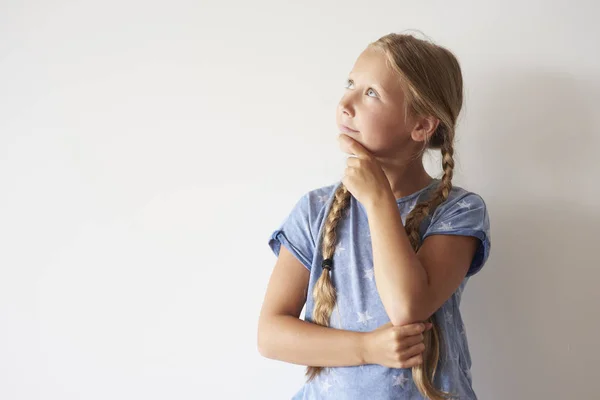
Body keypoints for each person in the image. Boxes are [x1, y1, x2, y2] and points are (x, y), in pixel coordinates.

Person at [257, 32, 491, 400]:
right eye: (351, 83)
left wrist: (378, 197)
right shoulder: (314, 210)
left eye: (371, 93)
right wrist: (367, 348)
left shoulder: (459, 211)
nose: (346, 102)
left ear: (421, 126)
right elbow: (270, 335)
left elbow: (407, 306)